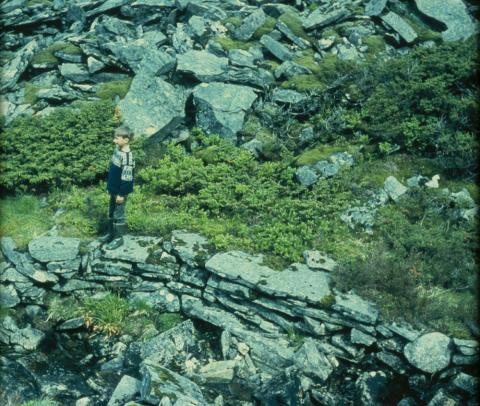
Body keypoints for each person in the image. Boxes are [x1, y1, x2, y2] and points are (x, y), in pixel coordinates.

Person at [99, 125, 135, 249]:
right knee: (111, 212)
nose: (114, 141)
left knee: (118, 214)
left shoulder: (128, 158)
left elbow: (127, 178)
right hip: (113, 189)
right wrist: (111, 188)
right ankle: (110, 234)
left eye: (117, 138)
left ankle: (118, 238)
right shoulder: (118, 150)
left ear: (126, 140)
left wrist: (121, 194)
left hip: (120, 192)